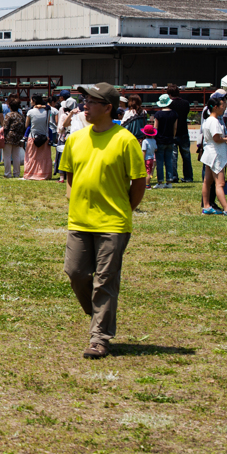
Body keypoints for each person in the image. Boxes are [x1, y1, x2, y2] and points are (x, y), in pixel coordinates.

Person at [59, 82, 146, 360]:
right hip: (80, 221)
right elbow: (70, 175)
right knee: (75, 273)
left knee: (105, 280)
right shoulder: (76, 139)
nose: (85, 104)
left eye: (92, 101)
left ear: (108, 108)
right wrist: (73, 201)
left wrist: (125, 209)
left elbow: (139, 180)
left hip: (113, 223)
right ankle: (98, 314)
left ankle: (99, 338)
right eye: (85, 99)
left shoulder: (125, 140)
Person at [200, 96, 227, 215]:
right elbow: (216, 138)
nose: (224, 108)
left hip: (209, 153)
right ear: (215, 107)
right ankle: (226, 209)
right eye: (222, 105)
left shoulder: (208, 120)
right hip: (216, 154)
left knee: (207, 181)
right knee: (220, 183)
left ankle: (206, 206)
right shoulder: (214, 121)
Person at [166, 83, 193, 183]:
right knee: (186, 156)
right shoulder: (186, 103)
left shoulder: (169, 103)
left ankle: (173, 176)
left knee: (173, 156)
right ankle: (188, 177)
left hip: (172, 133)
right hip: (184, 131)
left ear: (169, 94)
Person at [23, 94, 53, 180]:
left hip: (33, 137)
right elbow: (48, 123)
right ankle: (44, 174)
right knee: (44, 157)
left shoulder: (30, 112)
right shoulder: (47, 111)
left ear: (34, 101)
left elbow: (26, 125)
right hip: (45, 137)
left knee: (31, 157)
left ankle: (31, 174)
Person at [152, 94, 178, 189]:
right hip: (170, 140)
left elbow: (156, 127)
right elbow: (175, 127)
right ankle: (169, 181)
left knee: (159, 162)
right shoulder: (174, 114)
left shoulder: (158, 114)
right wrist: (173, 137)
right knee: (169, 161)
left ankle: (160, 182)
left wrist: (154, 139)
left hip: (160, 140)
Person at [2, 98, 26, 178]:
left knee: (7, 156)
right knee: (16, 156)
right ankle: (16, 173)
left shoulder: (9, 115)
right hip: (18, 137)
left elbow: (5, 127)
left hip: (9, 136)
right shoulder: (21, 116)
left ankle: (7, 173)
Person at [140, 124, 157, 189]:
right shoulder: (154, 141)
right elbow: (156, 149)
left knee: (147, 172)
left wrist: (143, 159)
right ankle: (147, 184)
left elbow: (144, 151)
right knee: (149, 171)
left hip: (146, 159)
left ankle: (147, 185)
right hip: (152, 158)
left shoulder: (145, 141)